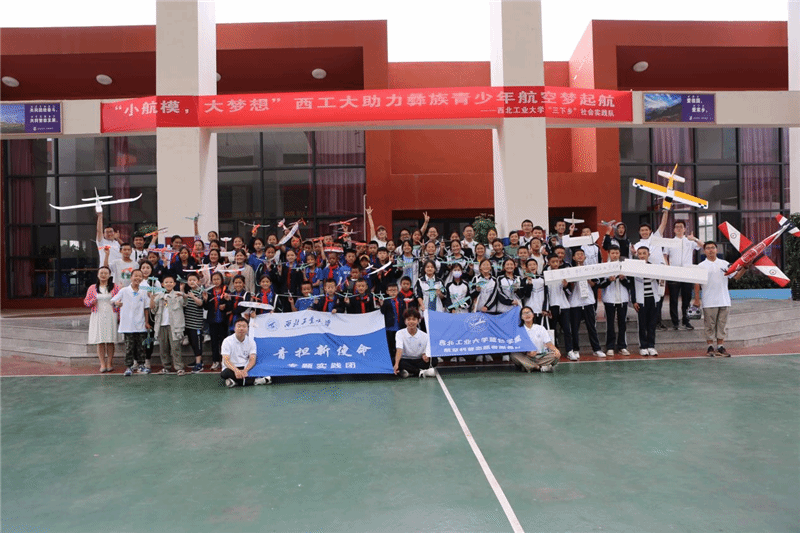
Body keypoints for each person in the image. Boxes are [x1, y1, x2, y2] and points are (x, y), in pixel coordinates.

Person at [694, 241, 747, 357]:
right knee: (709, 325)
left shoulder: (724, 264)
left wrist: (745, 267)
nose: (710, 250)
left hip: (724, 300)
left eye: (713, 248)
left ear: (717, 250)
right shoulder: (701, 266)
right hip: (709, 301)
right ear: (704, 251)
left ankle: (720, 347)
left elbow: (736, 276)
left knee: (721, 325)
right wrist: (697, 299)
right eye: (708, 248)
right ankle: (710, 347)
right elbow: (697, 284)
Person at [111, 269, 152, 376]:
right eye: (135, 276)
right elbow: (113, 300)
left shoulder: (143, 291)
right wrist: (116, 303)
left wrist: (146, 322)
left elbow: (146, 308)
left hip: (140, 324)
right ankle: (129, 367)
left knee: (141, 347)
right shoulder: (124, 291)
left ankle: (141, 365)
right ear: (131, 277)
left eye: (140, 276)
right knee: (129, 347)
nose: (138, 278)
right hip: (128, 325)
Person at [664, 220, 703, 330]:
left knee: (686, 298)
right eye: (677, 227)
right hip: (674, 273)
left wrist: (694, 239)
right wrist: (668, 267)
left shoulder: (689, 241)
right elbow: (665, 255)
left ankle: (686, 321)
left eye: (681, 227)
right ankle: (675, 322)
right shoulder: (670, 242)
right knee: (673, 299)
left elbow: (703, 245)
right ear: (674, 229)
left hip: (687, 273)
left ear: (685, 229)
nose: (679, 228)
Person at [568, 249, 604, 358]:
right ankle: (575, 349)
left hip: (588, 301)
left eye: (582, 254)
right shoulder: (570, 270)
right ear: (573, 257)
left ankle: (596, 349)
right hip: (575, 302)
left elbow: (594, 285)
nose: (580, 256)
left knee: (591, 326)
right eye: (577, 254)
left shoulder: (589, 269)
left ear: (585, 257)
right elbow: (569, 287)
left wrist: (587, 277)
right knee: (575, 328)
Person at [84, 266, 121, 373]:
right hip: (98, 315)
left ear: (109, 275)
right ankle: (102, 364)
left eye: (105, 273)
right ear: (98, 275)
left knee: (110, 340)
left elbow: (120, 300)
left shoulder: (115, 287)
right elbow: (86, 302)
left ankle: (109, 363)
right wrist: (92, 301)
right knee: (100, 340)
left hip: (111, 315)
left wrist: (118, 306)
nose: (103, 275)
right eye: (101, 273)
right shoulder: (92, 288)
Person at [598, 246, 633, 356]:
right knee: (610, 324)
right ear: (609, 253)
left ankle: (622, 346)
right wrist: (609, 280)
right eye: (613, 253)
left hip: (623, 299)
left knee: (622, 323)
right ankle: (610, 346)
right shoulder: (604, 267)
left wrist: (623, 279)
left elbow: (630, 284)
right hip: (609, 299)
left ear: (619, 253)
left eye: (617, 253)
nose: (615, 255)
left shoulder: (624, 266)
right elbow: (600, 284)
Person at [151, 274, 187, 375]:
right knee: (163, 348)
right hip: (161, 325)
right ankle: (166, 366)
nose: (169, 284)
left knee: (175, 347)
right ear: (162, 284)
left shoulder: (178, 294)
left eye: (171, 282)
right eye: (166, 282)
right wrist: (152, 299)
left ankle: (179, 367)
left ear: (174, 284)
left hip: (174, 325)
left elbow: (184, 303)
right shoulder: (159, 296)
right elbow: (153, 310)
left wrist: (183, 292)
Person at [220, 318, 271, 387]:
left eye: (244, 326)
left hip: (245, 367)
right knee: (225, 373)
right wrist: (236, 371)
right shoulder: (227, 341)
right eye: (239, 326)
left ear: (247, 329)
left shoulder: (251, 341)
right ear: (234, 328)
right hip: (231, 368)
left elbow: (252, 359)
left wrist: (245, 370)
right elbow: (226, 360)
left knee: (258, 368)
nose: (241, 328)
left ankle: (235, 382)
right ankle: (256, 381)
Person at [510, 306, 560, 373]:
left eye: (529, 312)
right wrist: (527, 352)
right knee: (514, 355)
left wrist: (556, 350)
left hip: (541, 356)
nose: (527, 315)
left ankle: (528, 366)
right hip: (526, 356)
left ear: (533, 315)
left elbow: (548, 343)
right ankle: (538, 367)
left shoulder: (540, 328)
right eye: (524, 313)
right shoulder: (519, 330)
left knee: (555, 356)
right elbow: (517, 346)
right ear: (521, 317)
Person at [632, 246, 661, 356]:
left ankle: (651, 346)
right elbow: (632, 286)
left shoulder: (653, 267)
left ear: (648, 254)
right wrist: (634, 301)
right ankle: (643, 346)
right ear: (637, 255)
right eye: (640, 254)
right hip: (641, 300)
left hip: (653, 299)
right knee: (642, 324)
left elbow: (660, 281)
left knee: (652, 324)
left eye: (644, 253)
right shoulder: (633, 268)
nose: (642, 255)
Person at [393, 308, 436, 378]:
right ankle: (420, 372)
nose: (411, 322)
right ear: (405, 321)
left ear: (418, 321)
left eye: (414, 319)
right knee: (395, 361)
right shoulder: (399, 333)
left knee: (434, 360)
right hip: (405, 359)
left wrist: (426, 356)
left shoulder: (425, 336)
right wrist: (396, 364)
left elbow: (425, 352)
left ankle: (409, 372)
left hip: (418, 360)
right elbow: (399, 349)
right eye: (408, 319)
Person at [183, 272, 207, 373]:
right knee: (192, 342)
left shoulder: (200, 291)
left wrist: (193, 297)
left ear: (198, 281)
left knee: (197, 343)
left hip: (196, 324)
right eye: (190, 280)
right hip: (188, 323)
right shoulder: (188, 292)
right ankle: (198, 360)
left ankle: (199, 364)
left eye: (194, 280)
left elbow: (200, 303)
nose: (192, 282)